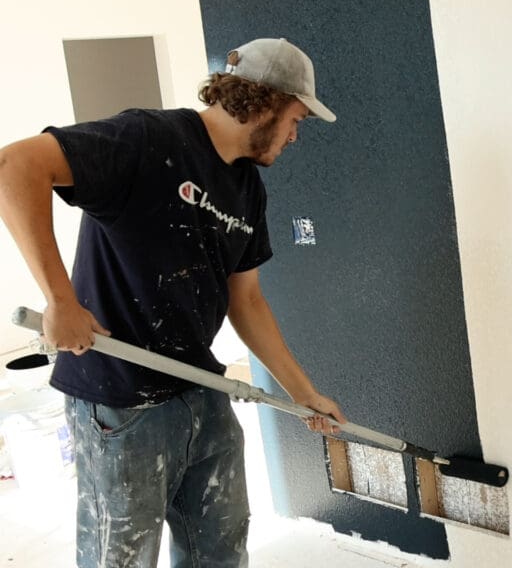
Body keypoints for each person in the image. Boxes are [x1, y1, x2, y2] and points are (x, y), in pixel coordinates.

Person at [0, 38, 345, 567]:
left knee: (220, 552)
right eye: (297, 116)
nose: (298, 133)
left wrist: (304, 393)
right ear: (263, 101)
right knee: (122, 559)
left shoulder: (246, 187)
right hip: (118, 397)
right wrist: (59, 299)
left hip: (199, 388)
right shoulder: (145, 138)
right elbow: (15, 165)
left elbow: (246, 300)